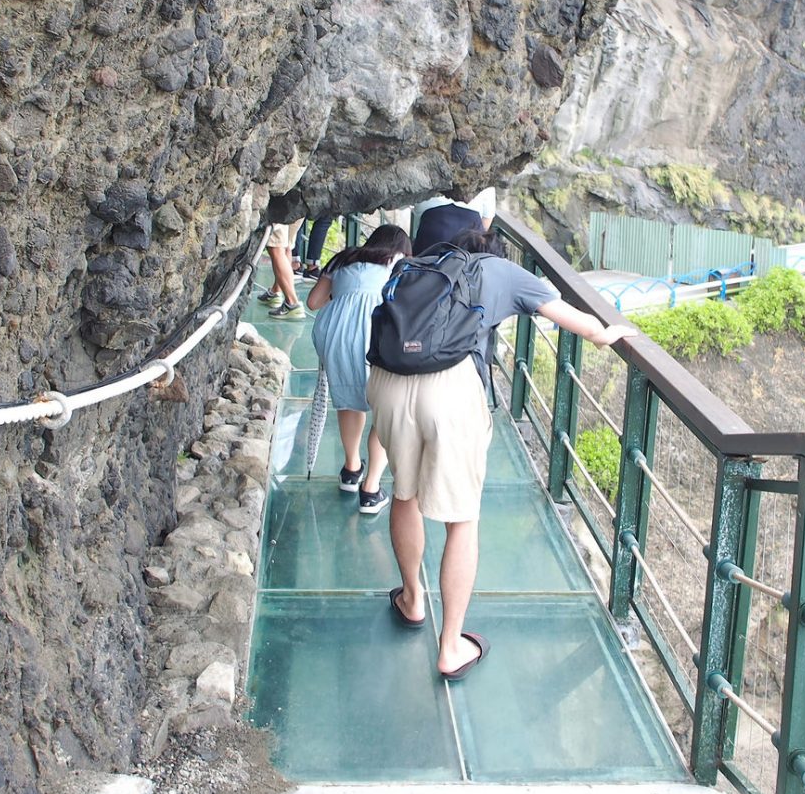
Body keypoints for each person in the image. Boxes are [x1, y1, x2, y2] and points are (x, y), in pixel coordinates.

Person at [368, 227, 634, 679]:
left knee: (405, 493)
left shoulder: (422, 265)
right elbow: (580, 324)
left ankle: (413, 599)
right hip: (449, 390)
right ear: (495, 253)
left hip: (389, 381)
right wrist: (610, 332)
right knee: (462, 519)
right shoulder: (503, 272)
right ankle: (450, 647)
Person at [306, 225, 412, 514]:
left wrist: (344, 296)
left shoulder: (343, 258)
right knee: (384, 408)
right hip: (376, 337)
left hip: (335, 336)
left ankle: (351, 470)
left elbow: (313, 302)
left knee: (349, 401)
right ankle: (371, 489)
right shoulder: (400, 263)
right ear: (402, 248)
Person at [257, 221, 304, 318]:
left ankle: (292, 303)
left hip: (280, 210)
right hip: (297, 209)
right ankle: (276, 291)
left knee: (276, 248)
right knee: (286, 247)